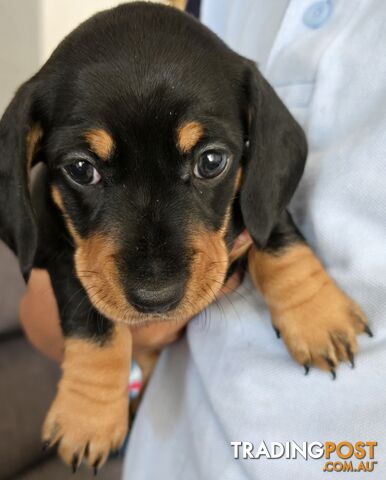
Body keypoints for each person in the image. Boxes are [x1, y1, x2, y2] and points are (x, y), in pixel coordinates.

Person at [20, 1, 386, 479]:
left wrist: (296, 284)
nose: (155, 285)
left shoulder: (242, 124)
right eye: (84, 169)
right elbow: (44, 285)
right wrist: (94, 381)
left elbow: (258, 201)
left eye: (208, 162)